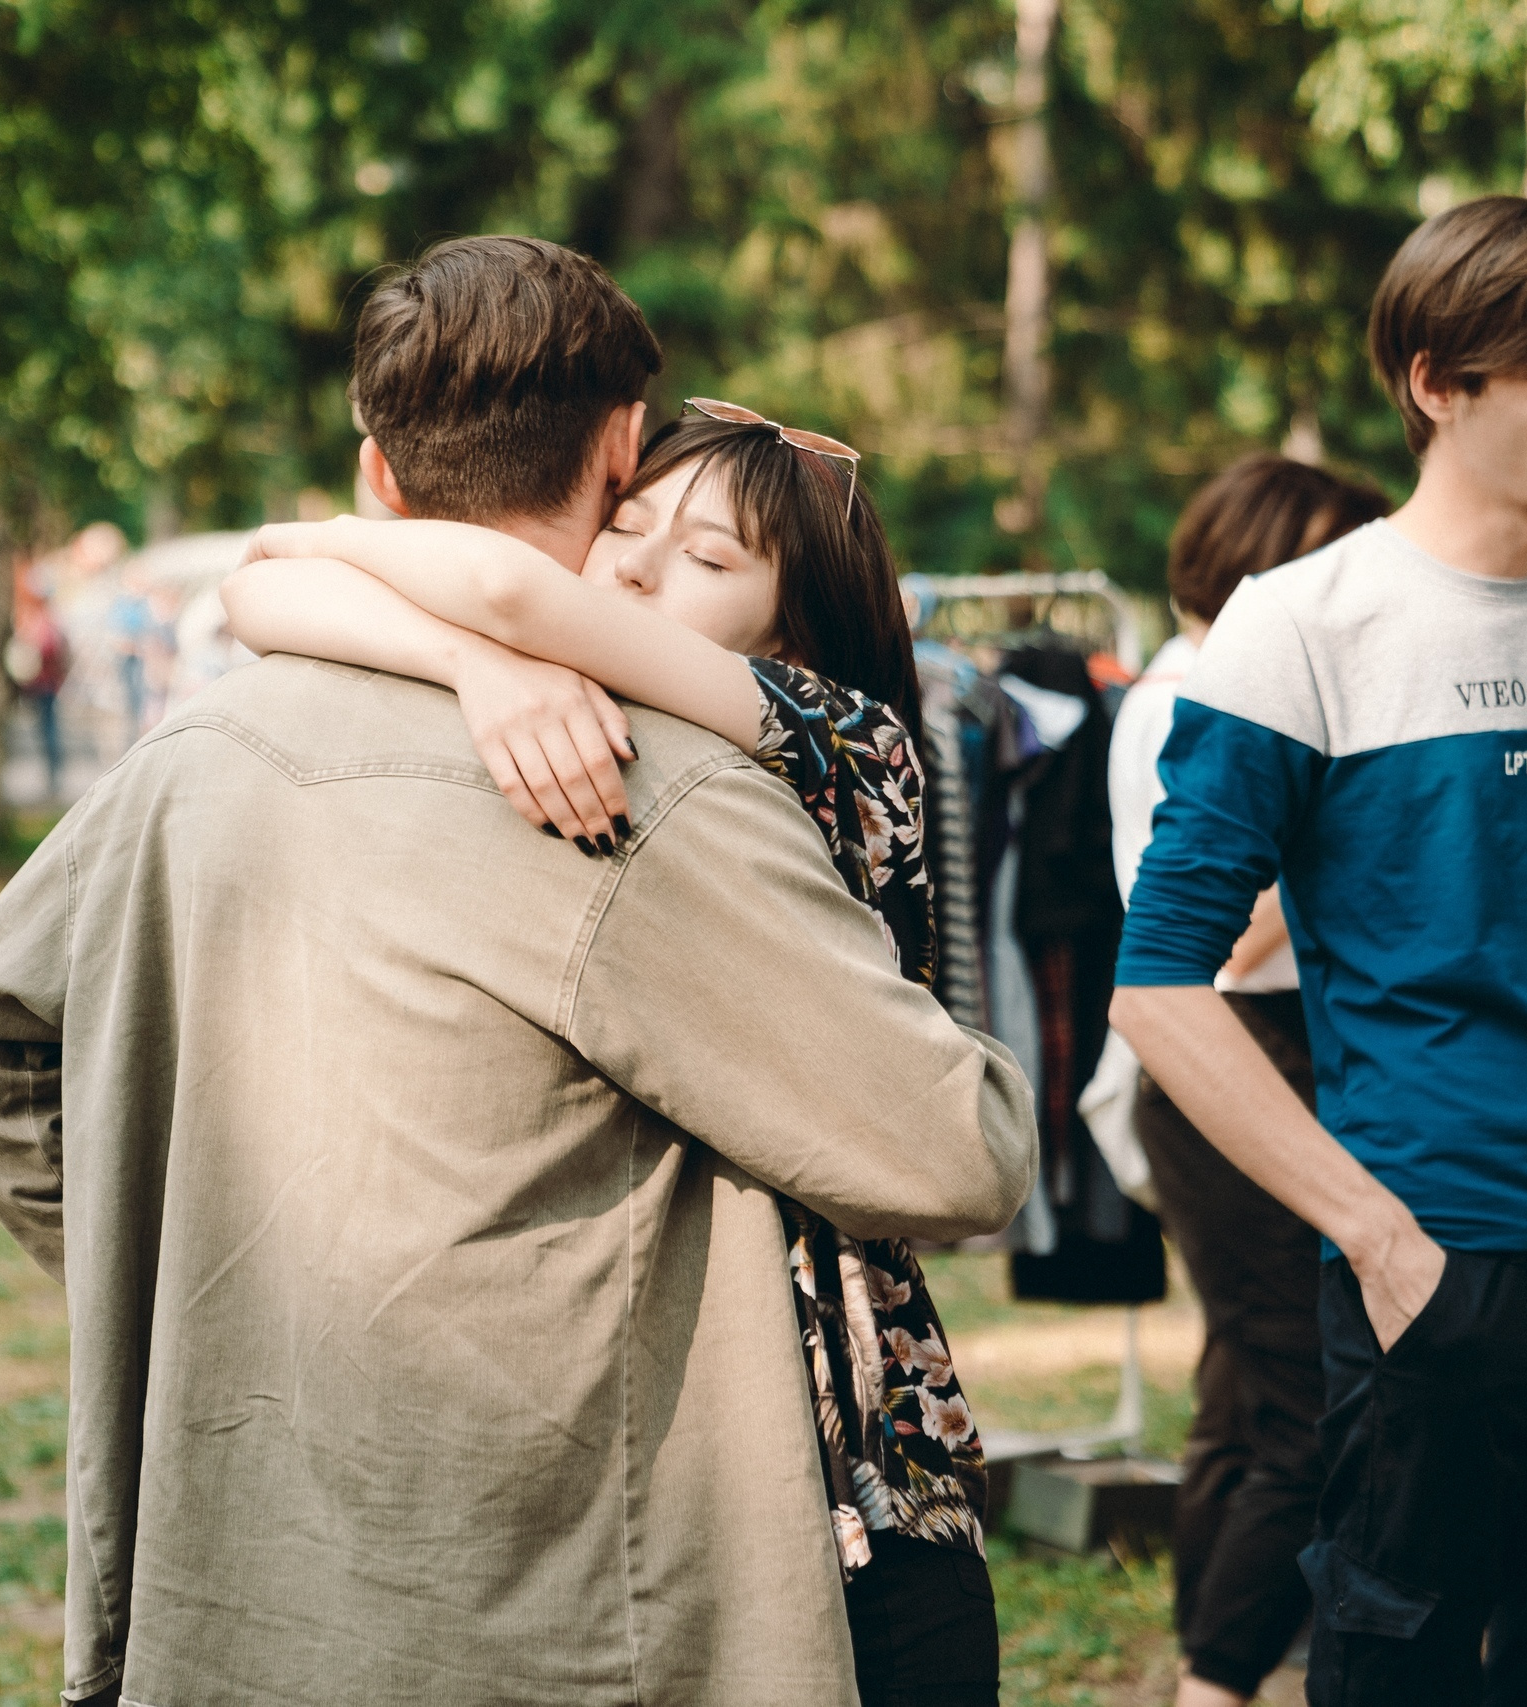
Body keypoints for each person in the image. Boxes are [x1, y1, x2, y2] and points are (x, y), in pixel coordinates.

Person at [0, 235, 1038, 1707]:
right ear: (622, 447)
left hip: (256, 1586)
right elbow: (953, 1149)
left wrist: (195, 1290)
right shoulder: (641, 787)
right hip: (574, 1596)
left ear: (377, 475)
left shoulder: (186, 755)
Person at [230, 400, 1005, 1703]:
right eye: (627, 524)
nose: (635, 568)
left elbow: (446, 580)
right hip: (658, 1448)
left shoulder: (843, 736)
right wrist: (478, 667)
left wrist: (480, 634)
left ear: (791, 622)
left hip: (862, 1447)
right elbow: (262, 602)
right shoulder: (580, 721)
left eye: (708, 560)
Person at [1110, 195, 1527, 1705]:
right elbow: (1160, 985)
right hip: (1443, 1284)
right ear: (1436, 382)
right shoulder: (1301, 627)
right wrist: (1386, 1243)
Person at [1103, 456, 1386, 1707]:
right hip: (1231, 1056)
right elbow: (1227, 930)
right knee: (1316, 1406)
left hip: (1240, 1062)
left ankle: (1206, 1656)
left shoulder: (1186, 689)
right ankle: (1221, 1676)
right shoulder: (1201, 702)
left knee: (1242, 1388)